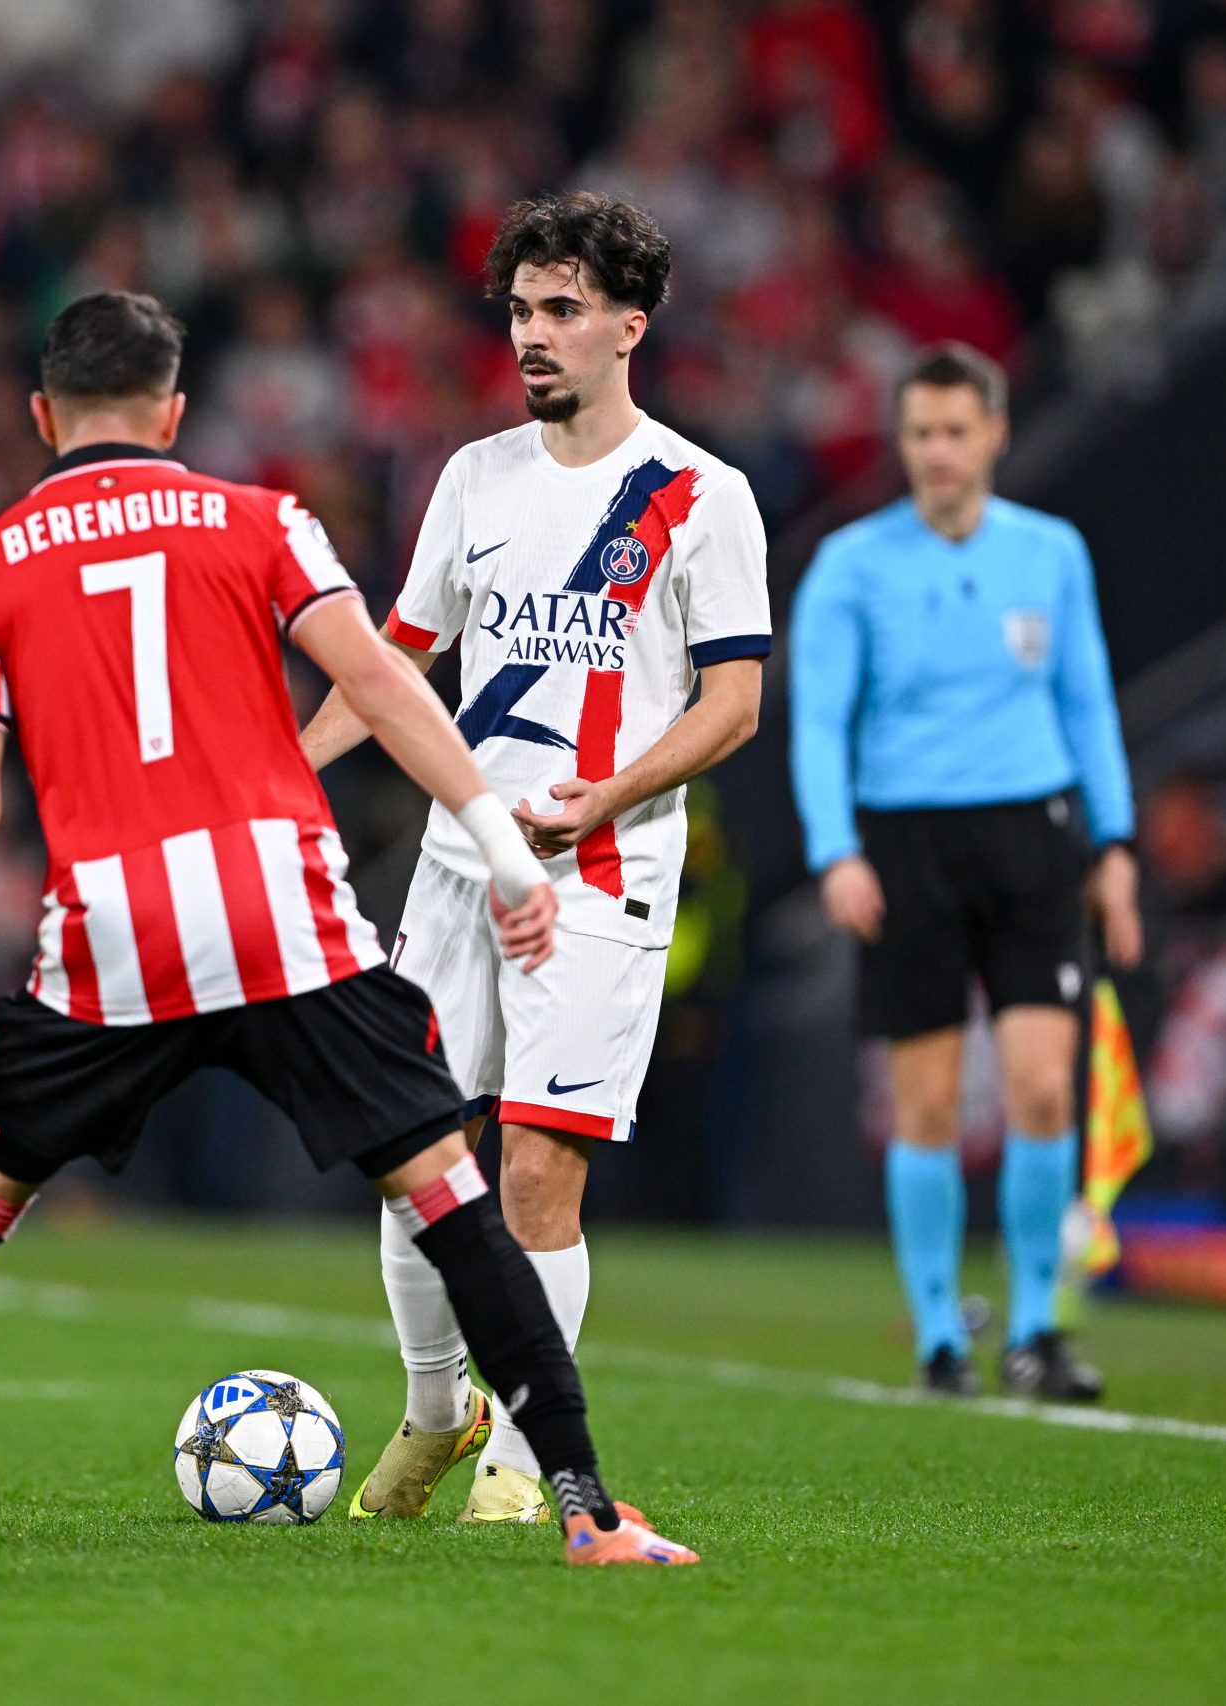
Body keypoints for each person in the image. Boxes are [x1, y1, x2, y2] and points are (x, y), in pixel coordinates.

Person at [0, 291, 698, 1567]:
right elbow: (385, 680)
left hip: (115, 934)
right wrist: (505, 853)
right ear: (173, 413)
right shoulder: (260, 519)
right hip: (284, 914)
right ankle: (588, 1512)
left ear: (44, 415)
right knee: (452, 1194)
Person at [300, 193, 772, 1524]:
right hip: (460, 868)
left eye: (562, 309)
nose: (534, 335)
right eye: (519, 310)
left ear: (632, 323)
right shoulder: (474, 479)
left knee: (535, 1172)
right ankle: (435, 1412)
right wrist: (290, 766)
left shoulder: (701, 497)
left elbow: (733, 706)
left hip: (601, 873)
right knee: (413, 1161)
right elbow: (398, 665)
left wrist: (602, 796)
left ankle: (518, 1452)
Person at [787, 341, 1141, 1401]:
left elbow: (1087, 702)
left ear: (993, 433)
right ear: (902, 442)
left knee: (1042, 1089)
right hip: (905, 842)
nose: (938, 452)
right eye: (920, 433)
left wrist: (1112, 845)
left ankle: (1035, 1326)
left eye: (955, 430)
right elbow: (817, 722)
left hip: (1033, 831)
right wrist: (834, 849)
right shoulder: (852, 563)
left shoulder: (1052, 552)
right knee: (929, 1105)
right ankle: (940, 1333)